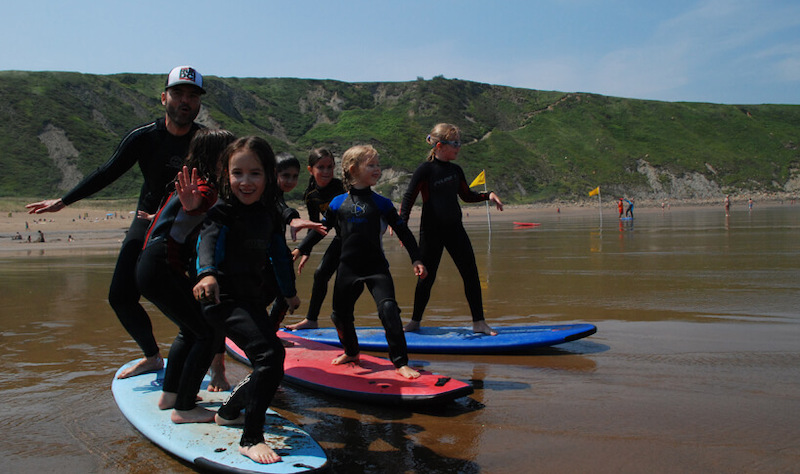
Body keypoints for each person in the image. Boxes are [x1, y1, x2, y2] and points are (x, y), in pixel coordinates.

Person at [26, 66, 206, 379]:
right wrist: (64, 201)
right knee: (120, 296)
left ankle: (204, 350)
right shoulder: (144, 137)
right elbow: (107, 171)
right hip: (144, 220)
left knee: (198, 293)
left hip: (189, 225)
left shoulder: (204, 142)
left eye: (192, 95)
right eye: (177, 93)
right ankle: (152, 356)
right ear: (164, 98)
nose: (184, 101)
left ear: (199, 103)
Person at [193, 136, 299, 464]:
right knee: (270, 355)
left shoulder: (267, 215)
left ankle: (229, 411)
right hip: (220, 298)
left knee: (270, 362)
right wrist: (207, 273)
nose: (246, 181)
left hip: (249, 299)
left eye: (254, 173)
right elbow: (207, 243)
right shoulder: (222, 213)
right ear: (226, 176)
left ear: (267, 175)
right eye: (237, 173)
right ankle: (251, 438)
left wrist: (289, 291)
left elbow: (280, 256)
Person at [296, 145, 426, 379]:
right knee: (339, 315)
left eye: (378, 164)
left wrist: (416, 258)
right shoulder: (337, 203)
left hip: (376, 268)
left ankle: (400, 362)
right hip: (348, 268)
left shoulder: (382, 203)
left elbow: (403, 231)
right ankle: (352, 352)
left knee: (388, 310)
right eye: (372, 165)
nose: (378, 169)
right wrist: (301, 248)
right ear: (353, 169)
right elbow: (322, 229)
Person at [137, 129, 236, 423]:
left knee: (189, 329)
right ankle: (184, 407)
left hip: (150, 267)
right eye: (230, 152)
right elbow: (201, 203)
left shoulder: (189, 184)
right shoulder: (203, 188)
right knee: (208, 332)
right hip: (161, 266)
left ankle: (171, 394)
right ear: (218, 157)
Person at [400, 123, 503, 335]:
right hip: (431, 231)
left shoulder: (456, 170)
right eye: (454, 143)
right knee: (426, 277)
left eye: (459, 143)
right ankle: (415, 322)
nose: (459, 147)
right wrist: (401, 225)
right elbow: (409, 197)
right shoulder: (425, 170)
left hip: (455, 229)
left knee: (471, 274)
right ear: (439, 145)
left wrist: (488, 195)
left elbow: (466, 195)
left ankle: (479, 322)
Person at [285, 148, 346, 330]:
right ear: (310, 169)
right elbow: (316, 225)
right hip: (342, 238)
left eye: (330, 167)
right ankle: (311, 320)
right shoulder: (311, 195)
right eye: (321, 167)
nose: (326, 172)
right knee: (320, 275)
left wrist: (301, 248)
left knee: (351, 280)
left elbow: (326, 225)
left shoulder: (341, 188)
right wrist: (306, 251)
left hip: (359, 238)